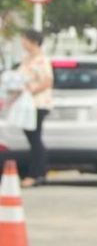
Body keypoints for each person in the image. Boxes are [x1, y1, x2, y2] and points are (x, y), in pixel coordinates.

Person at [17, 29, 53, 187]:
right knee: (32, 137)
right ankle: (39, 172)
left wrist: (31, 91)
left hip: (37, 104)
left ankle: (35, 174)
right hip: (25, 104)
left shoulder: (42, 60)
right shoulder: (25, 59)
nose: (22, 43)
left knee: (34, 137)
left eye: (24, 39)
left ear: (33, 41)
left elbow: (47, 81)